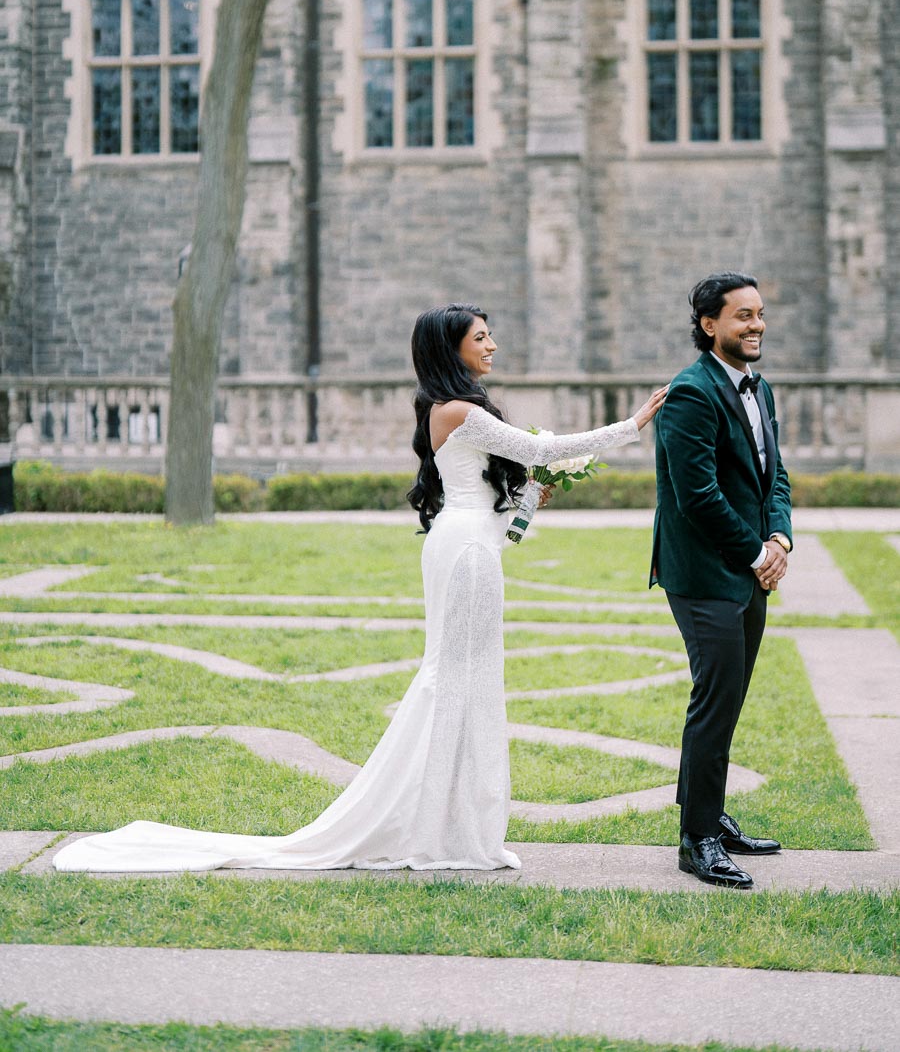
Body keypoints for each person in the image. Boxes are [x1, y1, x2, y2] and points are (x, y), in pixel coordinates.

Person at [54, 303, 666, 874]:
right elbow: (544, 449)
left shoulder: (454, 414)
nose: (493, 345)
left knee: (469, 681)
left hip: (473, 546)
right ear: (450, 350)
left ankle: (456, 830)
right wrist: (633, 424)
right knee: (453, 681)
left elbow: (505, 523)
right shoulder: (456, 413)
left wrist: (530, 501)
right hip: (465, 553)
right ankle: (429, 830)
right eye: (481, 338)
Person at [651, 272, 792, 889]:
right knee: (714, 699)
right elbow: (698, 496)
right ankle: (698, 841)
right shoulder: (691, 392)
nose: (756, 324)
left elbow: (774, 476)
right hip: (704, 574)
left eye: (759, 314)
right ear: (710, 324)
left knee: (727, 698)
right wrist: (757, 554)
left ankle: (707, 815)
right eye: (742, 315)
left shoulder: (757, 389)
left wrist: (781, 537)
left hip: (749, 569)